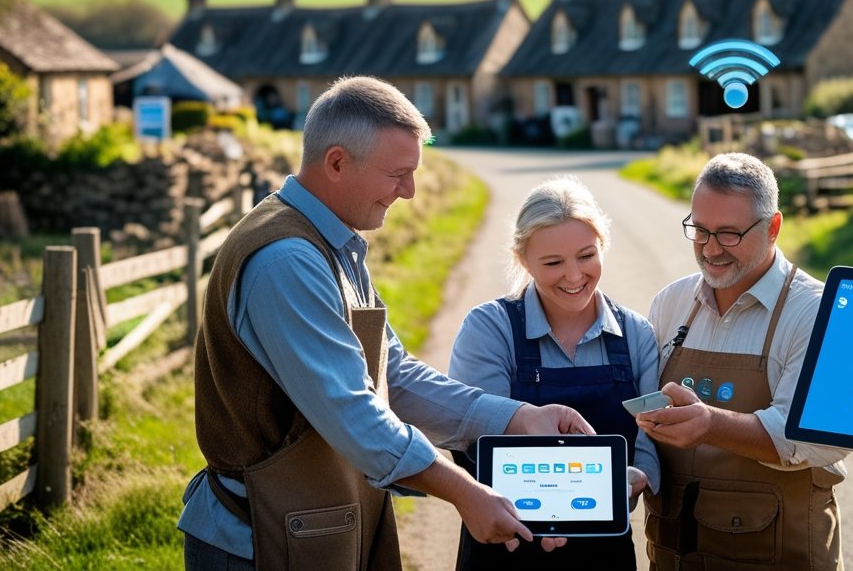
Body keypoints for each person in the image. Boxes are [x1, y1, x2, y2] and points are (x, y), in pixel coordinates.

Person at [178, 76, 593, 570]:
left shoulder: (333, 241)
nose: (411, 191)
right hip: (256, 544)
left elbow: (392, 374)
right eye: (397, 174)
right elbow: (353, 413)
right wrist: (463, 492)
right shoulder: (287, 261)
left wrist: (516, 418)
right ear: (336, 163)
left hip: (308, 527)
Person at [635, 152, 848, 571]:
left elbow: (811, 438)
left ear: (773, 228)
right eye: (699, 230)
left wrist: (712, 424)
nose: (710, 249)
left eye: (729, 234)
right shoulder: (670, 303)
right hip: (674, 551)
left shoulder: (819, 311)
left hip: (779, 555)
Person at [448, 175, 661, 569]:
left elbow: (648, 438)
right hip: (506, 542)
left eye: (586, 255)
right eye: (552, 263)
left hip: (605, 551)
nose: (575, 275)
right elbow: (475, 433)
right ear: (522, 259)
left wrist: (638, 478)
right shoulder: (490, 328)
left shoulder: (635, 334)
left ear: (603, 247)